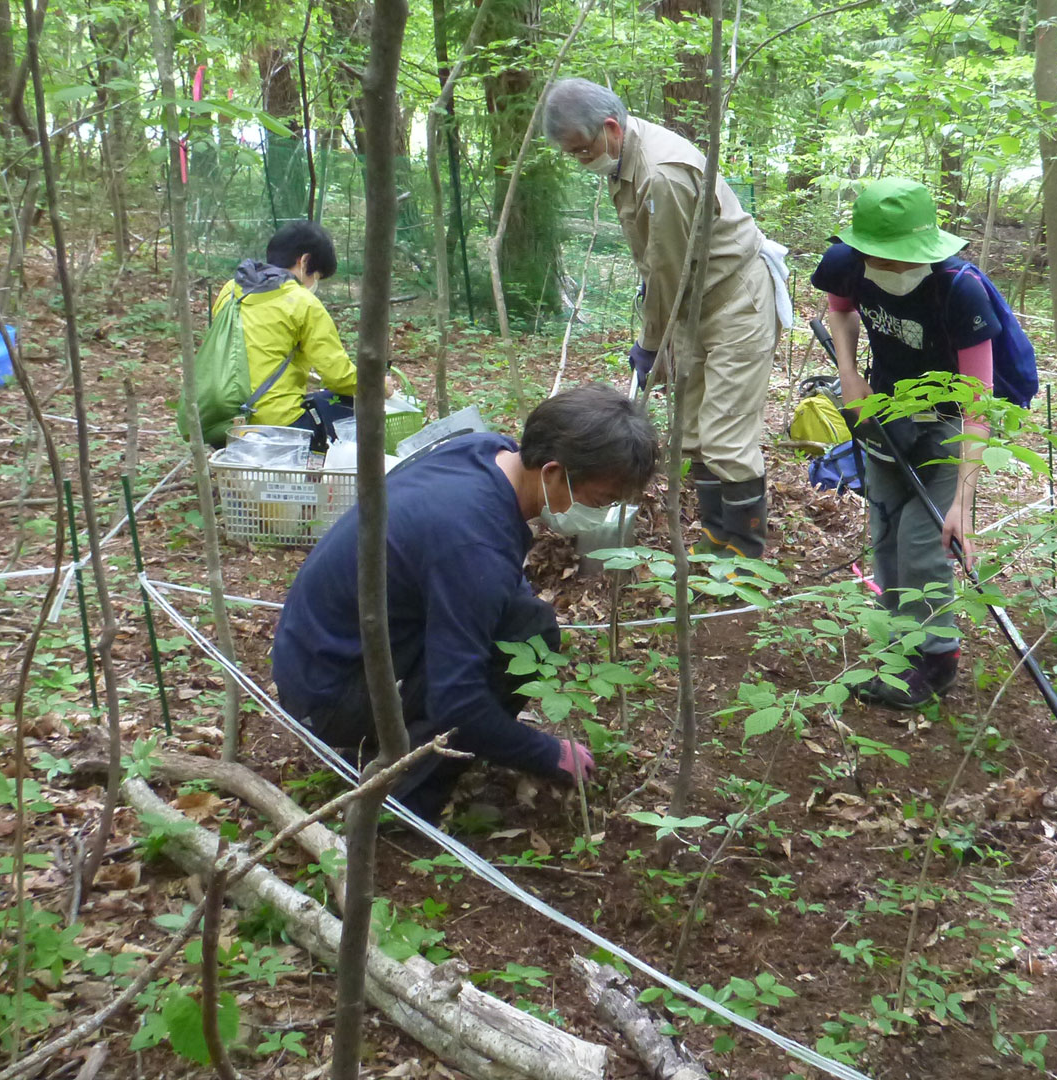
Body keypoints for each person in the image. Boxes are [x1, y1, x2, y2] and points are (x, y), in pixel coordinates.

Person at [271, 384, 658, 821]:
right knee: (530, 632)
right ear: (551, 472)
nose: (600, 514)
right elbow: (457, 702)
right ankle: (406, 799)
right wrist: (547, 753)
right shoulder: (473, 543)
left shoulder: (484, 451)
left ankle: (407, 752)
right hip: (327, 696)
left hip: (311, 656)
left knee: (525, 617)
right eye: (601, 501)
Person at [541, 78, 781, 559]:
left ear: (610, 127)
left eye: (584, 150)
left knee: (725, 438)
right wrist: (663, 342)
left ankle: (747, 556)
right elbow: (657, 264)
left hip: (734, 299)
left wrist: (653, 345)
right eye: (572, 154)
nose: (582, 160)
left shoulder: (661, 175)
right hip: (689, 302)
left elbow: (667, 272)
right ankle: (716, 537)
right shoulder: (624, 154)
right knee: (691, 430)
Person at [809, 178, 997, 709]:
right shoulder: (846, 262)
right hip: (882, 413)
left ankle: (937, 657)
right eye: (879, 256)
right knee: (886, 529)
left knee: (923, 538)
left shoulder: (959, 289)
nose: (889, 267)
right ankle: (898, 648)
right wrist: (849, 373)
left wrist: (964, 502)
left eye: (901, 257)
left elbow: (980, 403)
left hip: (944, 423)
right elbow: (839, 310)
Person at [214, 221, 386, 437]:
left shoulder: (230, 290)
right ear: (304, 261)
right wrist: (377, 385)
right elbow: (339, 377)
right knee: (349, 407)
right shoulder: (302, 302)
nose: (314, 283)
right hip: (274, 423)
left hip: (219, 417)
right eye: (317, 276)